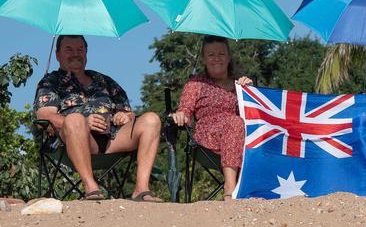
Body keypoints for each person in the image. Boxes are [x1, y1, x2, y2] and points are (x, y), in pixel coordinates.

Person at [34, 35, 162, 201]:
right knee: (75, 119)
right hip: (73, 142)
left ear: (86, 53)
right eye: (69, 49)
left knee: (152, 119)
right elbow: (44, 116)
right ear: (57, 55)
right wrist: (83, 123)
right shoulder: (50, 82)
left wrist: (124, 116)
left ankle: (141, 189)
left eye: (80, 49)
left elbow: (128, 112)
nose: (75, 53)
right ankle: (91, 187)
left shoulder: (103, 80)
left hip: (113, 139)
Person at [171, 35, 252, 201]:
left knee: (240, 125)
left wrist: (250, 92)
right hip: (207, 137)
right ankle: (231, 188)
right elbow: (185, 110)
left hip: (243, 138)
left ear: (229, 57)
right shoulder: (196, 83)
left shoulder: (240, 84)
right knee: (234, 123)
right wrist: (181, 115)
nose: (217, 59)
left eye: (221, 54)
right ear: (203, 59)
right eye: (211, 55)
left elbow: (256, 113)